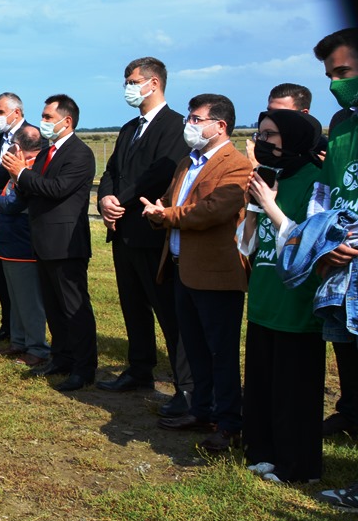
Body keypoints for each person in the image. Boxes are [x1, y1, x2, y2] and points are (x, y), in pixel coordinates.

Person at [142, 94, 250, 452]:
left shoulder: (237, 165)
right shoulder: (187, 162)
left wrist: (166, 216)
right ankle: (200, 409)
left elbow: (211, 211)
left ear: (220, 126)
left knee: (221, 352)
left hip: (216, 273)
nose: (189, 125)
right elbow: (176, 203)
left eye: (196, 119)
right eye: (189, 118)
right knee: (195, 348)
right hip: (180, 268)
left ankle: (229, 422)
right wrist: (161, 210)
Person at [95, 58, 193, 416]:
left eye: (133, 81)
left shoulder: (175, 126)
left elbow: (160, 172)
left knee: (168, 311)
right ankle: (139, 370)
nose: (128, 87)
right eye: (126, 80)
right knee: (132, 307)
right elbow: (111, 171)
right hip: (122, 232)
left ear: (154, 83)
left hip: (152, 233)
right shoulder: (127, 128)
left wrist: (120, 199)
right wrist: (105, 197)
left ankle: (187, 388)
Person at [239, 109, 324, 483]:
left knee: (295, 391)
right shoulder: (269, 179)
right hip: (263, 300)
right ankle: (263, 451)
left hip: (295, 305)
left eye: (271, 135)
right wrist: (255, 208)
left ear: (294, 139)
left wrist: (271, 206)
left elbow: (310, 242)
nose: (263, 142)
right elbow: (245, 247)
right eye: (260, 134)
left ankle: (296, 465)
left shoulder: (315, 181)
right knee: (263, 385)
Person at [3, 94, 98, 392]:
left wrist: (22, 173)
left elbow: (57, 189)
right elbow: (33, 191)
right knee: (54, 307)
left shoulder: (79, 154)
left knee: (74, 307)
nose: (42, 122)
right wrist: (17, 178)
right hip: (42, 240)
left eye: (47, 117)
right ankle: (61, 357)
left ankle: (84, 368)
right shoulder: (47, 152)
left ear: (66, 121)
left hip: (66, 242)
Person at [307, 28, 358, 509]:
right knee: (348, 358)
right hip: (339, 270)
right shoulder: (341, 123)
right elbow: (326, 192)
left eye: (342, 72)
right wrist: (325, 243)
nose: (334, 84)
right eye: (329, 75)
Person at [0, 126, 50, 367]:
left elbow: (13, 204)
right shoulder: (19, 170)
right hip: (8, 246)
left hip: (22, 246)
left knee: (29, 301)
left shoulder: (30, 170)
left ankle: (36, 348)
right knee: (16, 299)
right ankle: (19, 342)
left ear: (19, 148)